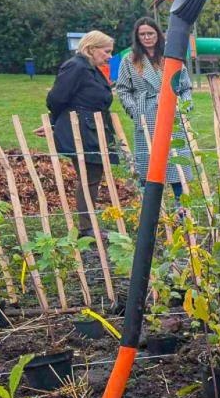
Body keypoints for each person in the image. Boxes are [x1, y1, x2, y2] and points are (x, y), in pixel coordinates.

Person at [45, 30, 117, 235]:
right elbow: (57, 99)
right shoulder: (75, 66)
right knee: (88, 177)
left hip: (91, 128)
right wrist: (56, 123)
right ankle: (86, 228)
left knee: (92, 177)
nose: (110, 56)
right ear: (91, 49)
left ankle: (89, 225)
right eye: (106, 51)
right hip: (82, 130)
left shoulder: (89, 68)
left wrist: (54, 122)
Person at [115, 16, 194, 197]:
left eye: (150, 33)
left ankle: (179, 203)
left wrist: (185, 105)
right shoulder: (130, 60)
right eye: (142, 34)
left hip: (170, 111)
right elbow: (123, 89)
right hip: (145, 113)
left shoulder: (171, 57)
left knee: (175, 158)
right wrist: (134, 110)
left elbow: (185, 85)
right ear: (137, 37)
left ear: (158, 35)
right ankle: (151, 204)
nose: (147, 37)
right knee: (149, 159)